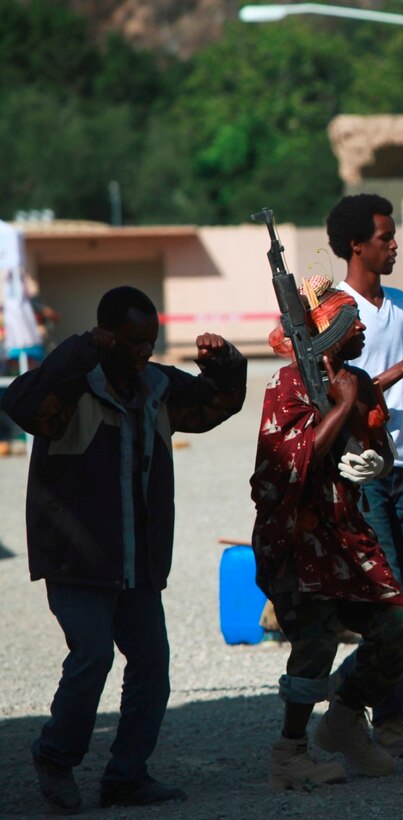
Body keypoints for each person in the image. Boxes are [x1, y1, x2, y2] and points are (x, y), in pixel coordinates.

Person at [2, 286, 247, 813]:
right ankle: (55, 758)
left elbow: (216, 404)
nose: (143, 352)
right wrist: (82, 347)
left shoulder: (155, 384)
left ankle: (126, 776)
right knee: (91, 656)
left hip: (137, 558)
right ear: (105, 336)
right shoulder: (68, 385)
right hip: (76, 558)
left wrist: (226, 364)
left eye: (150, 342)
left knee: (151, 665)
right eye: (133, 341)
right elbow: (20, 404)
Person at [252, 275, 403, 790]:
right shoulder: (286, 387)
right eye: (350, 325)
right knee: (316, 636)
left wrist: (379, 463)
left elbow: (379, 439)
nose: (362, 329)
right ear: (325, 336)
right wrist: (340, 408)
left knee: (395, 624)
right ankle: (289, 752)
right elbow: (287, 461)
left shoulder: (361, 381)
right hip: (301, 533)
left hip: (347, 527)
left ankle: (343, 717)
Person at [326, 193, 403, 757]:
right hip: (360, 474)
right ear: (357, 245)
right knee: (392, 601)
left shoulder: (401, 303)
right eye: (385, 237)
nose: (394, 245)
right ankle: (387, 717)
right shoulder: (330, 312)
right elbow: (344, 391)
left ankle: (347, 691)